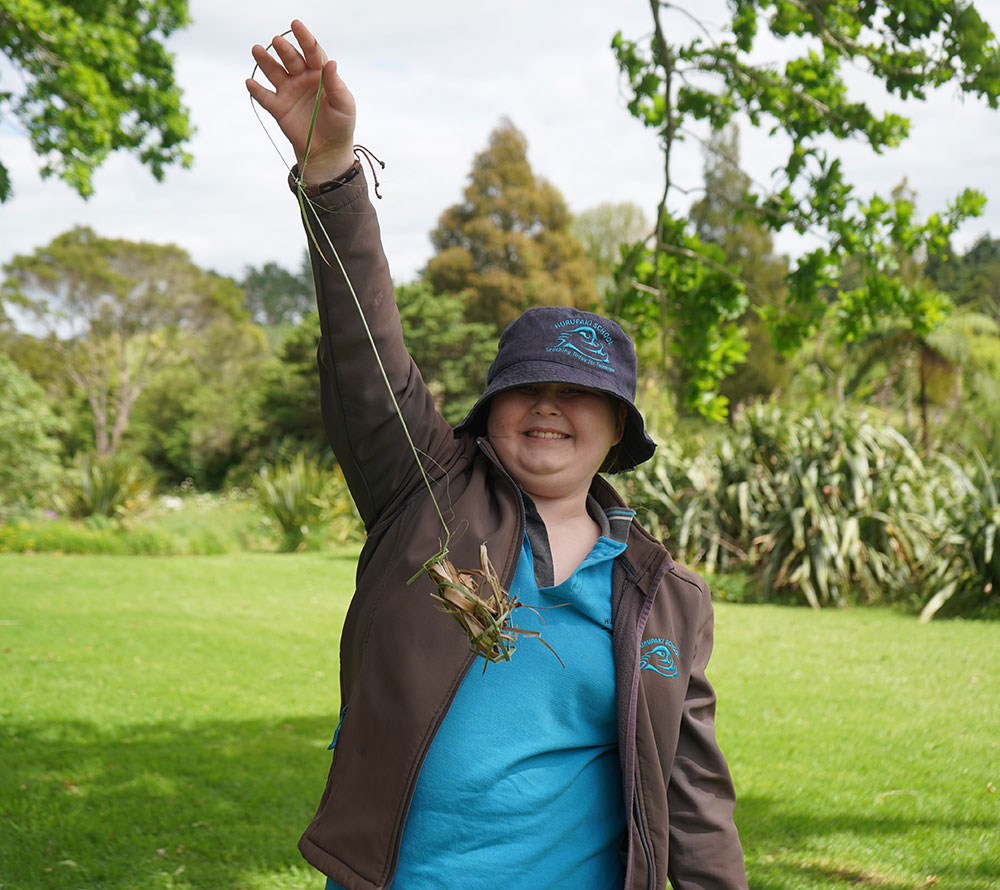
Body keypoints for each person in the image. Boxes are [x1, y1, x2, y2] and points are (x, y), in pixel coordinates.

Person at [246, 20, 748, 890]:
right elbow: (368, 356)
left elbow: (694, 798)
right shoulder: (423, 497)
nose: (551, 405)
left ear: (618, 431)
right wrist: (331, 177)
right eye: (529, 388)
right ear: (491, 412)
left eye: (582, 394)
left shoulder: (666, 597)